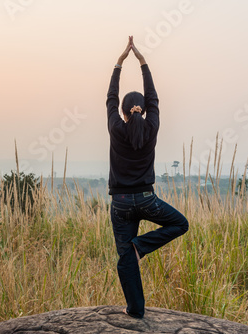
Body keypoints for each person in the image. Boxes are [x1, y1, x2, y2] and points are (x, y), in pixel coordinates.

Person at [106, 36, 189, 319]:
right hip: (146, 199)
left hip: (120, 203)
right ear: (143, 109)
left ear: (122, 112)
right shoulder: (151, 126)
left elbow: (110, 98)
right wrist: (142, 61)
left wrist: (119, 63)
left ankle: (136, 310)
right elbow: (153, 97)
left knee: (125, 257)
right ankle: (141, 246)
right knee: (180, 224)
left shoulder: (116, 127)